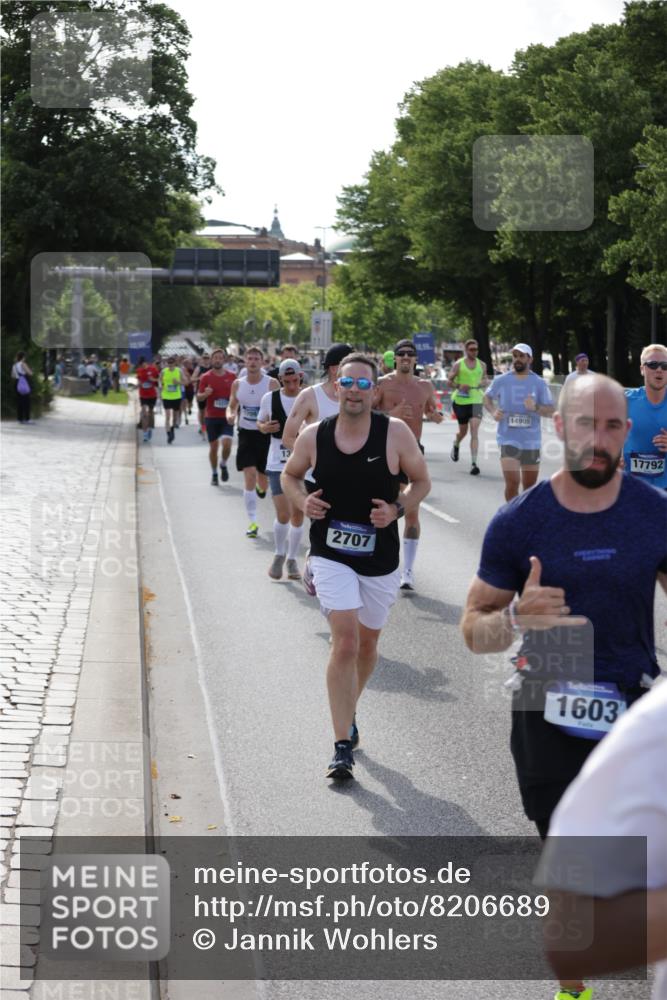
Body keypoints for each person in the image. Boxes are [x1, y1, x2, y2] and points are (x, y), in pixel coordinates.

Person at [461, 373, 667, 999]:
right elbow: (473, 630)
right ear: (560, 427)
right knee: (566, 856)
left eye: (611, 426)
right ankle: (574, 987)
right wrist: (520, 619)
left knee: (643, 856)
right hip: (550, 680)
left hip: (633, 694)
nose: (598, 439)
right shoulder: (520, 522)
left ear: (626, 431)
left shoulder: (654, 513)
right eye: (585, 424)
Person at [282, 353, 431, 780]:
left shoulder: (395, 434)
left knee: (367, 647)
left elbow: (422, 481)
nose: (355, 391)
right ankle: (341, 743)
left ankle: (350, 708)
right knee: (344, 643)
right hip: (329, 552)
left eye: (364, 385)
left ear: (374, 391)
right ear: (336, 384)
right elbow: (291, 477)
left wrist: (398, 508)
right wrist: (302, 501)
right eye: (348, 383)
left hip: (380, 559)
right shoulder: (315, 435)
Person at [538, 680, 667, 1000]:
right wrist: (512, 624)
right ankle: (573, 990)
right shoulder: (658, 724)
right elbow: (574, 936)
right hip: (556, 716)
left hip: (627, 686)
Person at [282, 342, 353, 591]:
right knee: (323, 527)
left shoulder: (363, 397)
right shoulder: (311, 396)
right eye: (344, 366)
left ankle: (329, 569)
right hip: (319, 476)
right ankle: (317, 569)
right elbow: (289, 435)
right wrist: (312, 459)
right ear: (332, 369)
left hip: (356, 479)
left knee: (348, 532)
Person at [375, 338, 443, 591]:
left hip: (413, 450)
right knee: (382, 509)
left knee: (411, 511)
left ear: (416, 359)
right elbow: (363, 414)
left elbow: (432, 411)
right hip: (383, 450)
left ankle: (408, 572)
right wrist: (388, 416)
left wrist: (435, 416)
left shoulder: (425, 386)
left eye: (409, 354)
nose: (405, 357)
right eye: (400, 353)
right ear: (395, 358)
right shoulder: (382, 384)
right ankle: (381, 563)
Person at [483, 343, 555, 501]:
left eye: (522, 356)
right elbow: (487, 397)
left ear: (530, 359)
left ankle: (524, 519)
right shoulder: (501, 380)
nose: (517, 359)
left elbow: (551, 411)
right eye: (515, 356)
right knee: (513, 482)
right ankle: (510, 517)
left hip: (531, 441)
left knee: (529, 487)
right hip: (507, 438)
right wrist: (494, 411)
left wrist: (535, 407)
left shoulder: (539, 383)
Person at [257, 358, 306, 580]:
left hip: (303, 463)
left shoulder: (308, 398)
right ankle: (279, 553)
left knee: (298, 513)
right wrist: (266, 427)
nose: (292, 386)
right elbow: (260, 424)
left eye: (295, 380)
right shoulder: (270, 398)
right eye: (287, 382)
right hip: (277, 462)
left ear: (301, 377)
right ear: (280, 380)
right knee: (283, 513)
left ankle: (293, 559)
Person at [226, 346, 279, 537]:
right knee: (249, 474)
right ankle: (253, 522)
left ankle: (260, 487)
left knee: (263, 479)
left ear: (262, 362)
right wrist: (230, 415)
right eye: (250, 359)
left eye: (257, 358)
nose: (253, 361)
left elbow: (279, 408)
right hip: (246, 434)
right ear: (245, 362)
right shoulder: (238, 384)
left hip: (265, 436)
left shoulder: (271, 383)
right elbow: (232, 406)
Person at [624, 342, 667, 491]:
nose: (659, 370)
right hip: (631, 488)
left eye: (664, 365)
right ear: (642, 369)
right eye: (653, 365)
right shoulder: (624, 401)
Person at [448, 338, 489, 475]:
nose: (474, 352)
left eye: (476, 349)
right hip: (460, 401)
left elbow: (485, 379)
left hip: (476, 400)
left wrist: (483, 383)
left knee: (474, 431)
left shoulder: (482, 365)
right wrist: (459, 386)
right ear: (466, 350)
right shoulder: (458, 364)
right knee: (463, 432)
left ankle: (474, 463)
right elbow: (449, 381)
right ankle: (456, 443)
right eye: (471, 349)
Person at [197, 348, 236, 485]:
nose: (218, 360)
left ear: (224, 360)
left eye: (220, 357)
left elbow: (236, 397)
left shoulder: (232, 377)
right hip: (212, 417)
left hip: (227, 417)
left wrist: (235, 411)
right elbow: (199, 397)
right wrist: (206, 394)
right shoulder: (205, 377)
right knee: (214, 447)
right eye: (215, 358)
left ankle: (223, 464)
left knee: (227, 444)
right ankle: (214, 473)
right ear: (212, 360)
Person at [136, 355, 159, 442]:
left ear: (146, 363)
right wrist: (138, 384)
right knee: (144, 412)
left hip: (152, 395)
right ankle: (145, 433)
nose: (143, 366)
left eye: (144, 364)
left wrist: (153, 379)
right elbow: (138, 380)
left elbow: (158, 379)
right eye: (141, 365)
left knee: (150, 413)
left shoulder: (153, 369)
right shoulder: (139, 370)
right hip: (143, 395)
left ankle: (149, 428)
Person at [160, 355, 182, 443]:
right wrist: (161, 388)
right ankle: (168, 433)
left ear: (175, 363)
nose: (170, 364)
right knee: (168, 416)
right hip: (166, 396)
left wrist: (178, 382)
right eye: (168, 363)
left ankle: (172, 429)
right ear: (167, 363)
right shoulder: (163, 371)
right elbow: (160, 381)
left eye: (172, 363)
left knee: (174, 417)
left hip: (176, 396)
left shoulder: (179, 371)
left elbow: (186, 382)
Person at [192, 352, 212, 438]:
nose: (206, 360)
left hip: (211, 392)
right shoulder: (199, 368)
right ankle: (202, 426)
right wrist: (199, 378)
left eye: (207, 358)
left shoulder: (213, 368)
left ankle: (208, 426)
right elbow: (192, 379)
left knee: (209, 410)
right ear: (202, 359)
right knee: (202, 411)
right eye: (204, 358)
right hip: (201, 392)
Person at [11, 352, 34, 424]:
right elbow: (30, 373)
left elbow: (13, 376)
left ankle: (19, 418)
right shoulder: (23, 364)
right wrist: (31, 370)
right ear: (23, 357)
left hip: (17, 383)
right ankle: (27, 419)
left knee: (19, 402)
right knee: (26, 401)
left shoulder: (14, 365)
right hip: (23, 383)